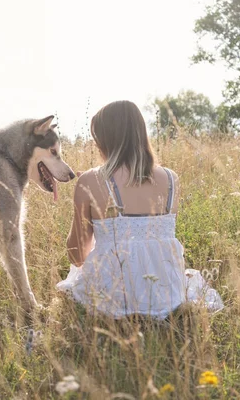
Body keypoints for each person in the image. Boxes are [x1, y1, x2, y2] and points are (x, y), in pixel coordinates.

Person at [56, 100, 222, 319]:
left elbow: (77, 256)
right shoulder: (172, 179)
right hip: (167, 296)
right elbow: (151, 243)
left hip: (111, 298)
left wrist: (83, 196)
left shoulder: (90, 180)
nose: (96, 144)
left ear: (106, 139)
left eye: (97, 137)